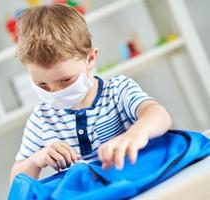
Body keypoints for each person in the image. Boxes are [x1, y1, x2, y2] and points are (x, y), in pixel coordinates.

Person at [10, 4, 172, 185]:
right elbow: (17, 181)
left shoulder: (117, 91)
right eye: (41, 84)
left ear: (91, 59)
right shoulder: (41, 120)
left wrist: (135, 134)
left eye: (66, 80)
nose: (55, 91)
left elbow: (159, 115)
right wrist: (36, 160)